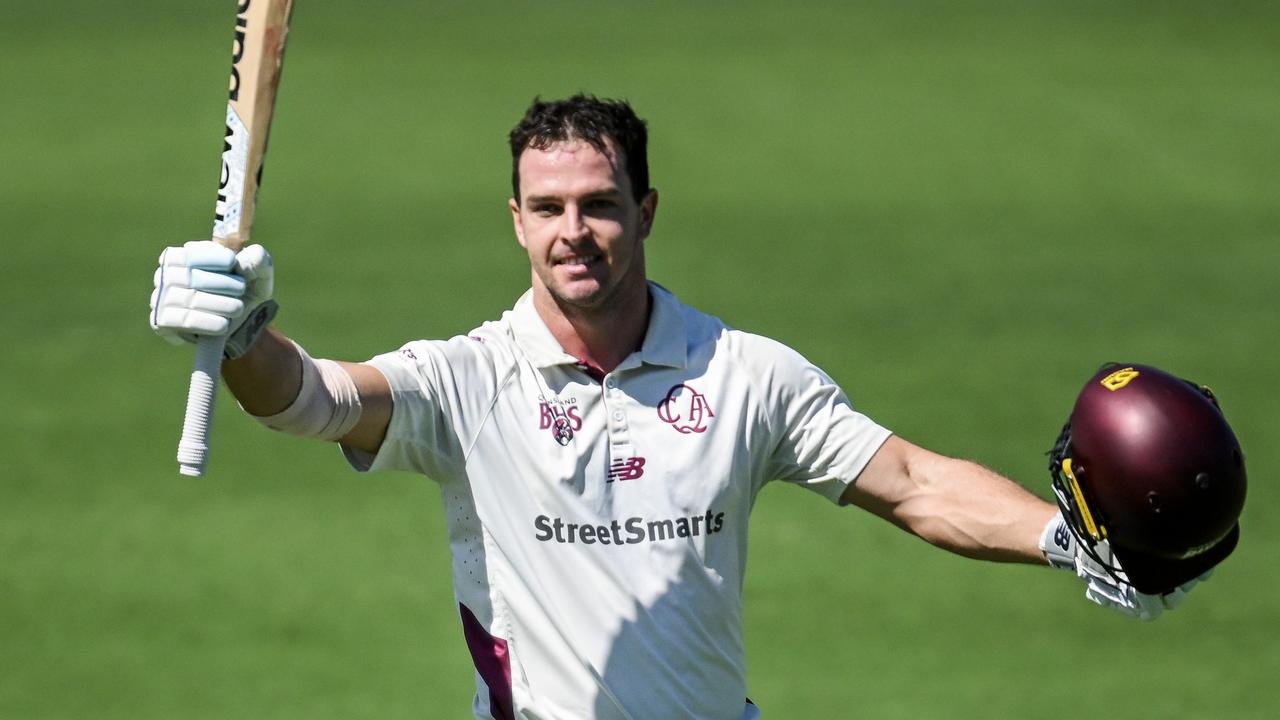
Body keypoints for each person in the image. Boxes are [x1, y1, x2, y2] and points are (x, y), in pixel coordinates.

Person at [149, 95, 1206, 720]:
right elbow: (315, 400)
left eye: (600, 205)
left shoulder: (745, 374)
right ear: (514, 221)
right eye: (550, 208)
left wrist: (1069, 543)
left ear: (644, 210)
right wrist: (243, 337)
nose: (575, 232)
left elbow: (914, 483)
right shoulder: (470, 380)